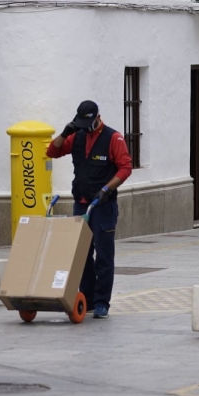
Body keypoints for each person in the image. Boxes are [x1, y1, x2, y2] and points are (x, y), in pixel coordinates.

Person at [47, 100, 132, 319]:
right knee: (82, 255)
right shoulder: (77, 136)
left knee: (104, 256)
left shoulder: (114, 138)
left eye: (89, 121)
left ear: (97, 117)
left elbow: (125, 167)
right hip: (81, 204)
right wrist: (66, 132)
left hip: (103, 206)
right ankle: (88, 298)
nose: (86, 125)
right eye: (81, 122)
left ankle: (103, 302)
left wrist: (107, 188)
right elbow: (51, 152)